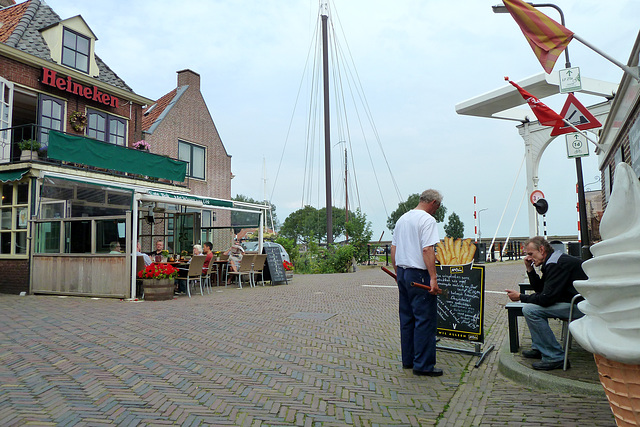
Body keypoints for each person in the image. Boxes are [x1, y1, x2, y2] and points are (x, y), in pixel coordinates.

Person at [505, 236, 587, 371]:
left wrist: (520, 296)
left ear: (542, 250)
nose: (529, 258)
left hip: (581, 306)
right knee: (532, 308)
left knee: (531, 310)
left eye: (531, 254)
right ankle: (540, 347)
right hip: (573, 302)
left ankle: (555, 357)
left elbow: (546, 298)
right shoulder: (553, 259)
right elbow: (541, 290)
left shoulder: (555, 264)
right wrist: (530, 270)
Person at [390, 189, 443, 377]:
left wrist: (398, 273)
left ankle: (408, 359)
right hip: (419, 275)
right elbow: (427, 249)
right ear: (434, 203)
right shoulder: (427, 220)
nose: (437, 210)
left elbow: (393, 248)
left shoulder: (402, 219)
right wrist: (433, 278)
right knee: (424, 319)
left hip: (403, 272)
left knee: (407, 318)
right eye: (438, 206)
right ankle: (423, 364)